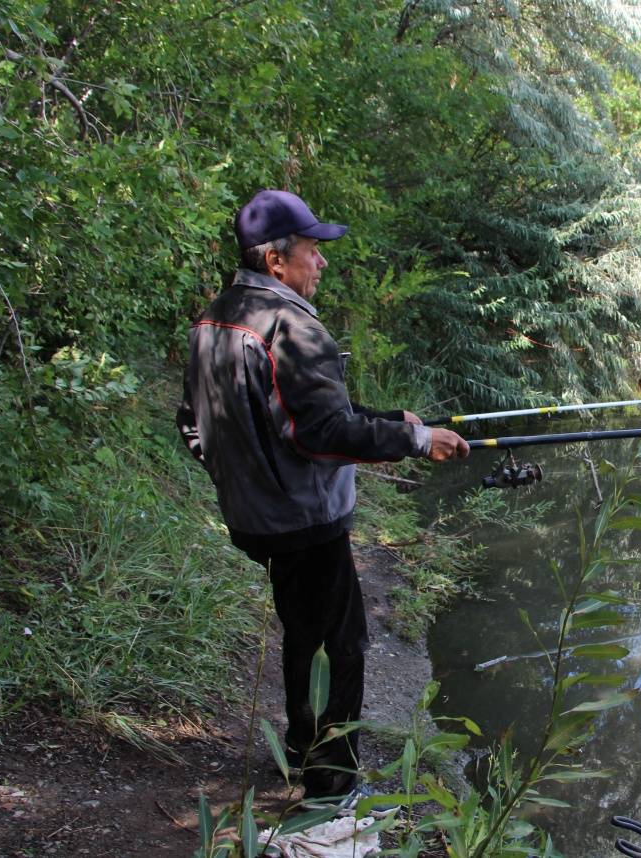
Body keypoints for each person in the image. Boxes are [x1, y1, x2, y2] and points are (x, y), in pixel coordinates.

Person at [175, 188, 470, 801]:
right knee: (339, 646)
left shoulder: (214, 318)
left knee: (304, 630)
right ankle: (331, 784)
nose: (322, 261)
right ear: (276, 260)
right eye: (313, 248)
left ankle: (300, 750)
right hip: (303, 522)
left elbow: (198, 425)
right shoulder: (291, 326)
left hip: (257, 517)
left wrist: (392, 420)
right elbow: (323, 431)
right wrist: (416, 441)